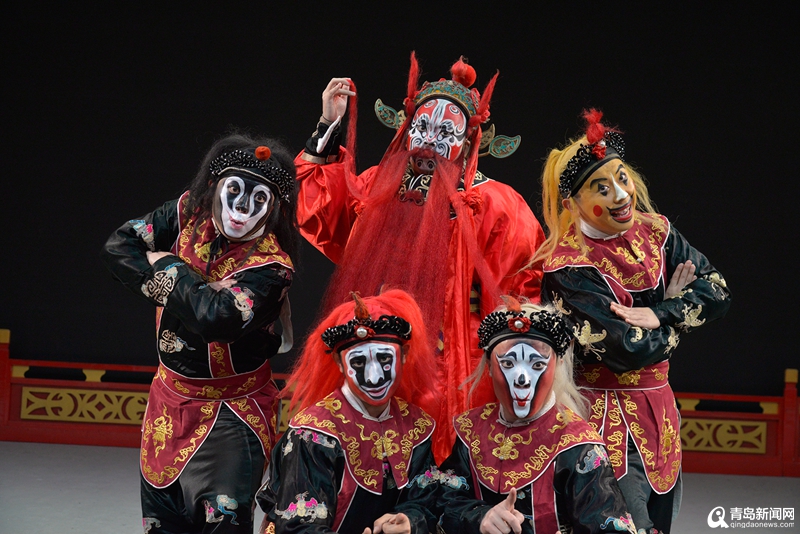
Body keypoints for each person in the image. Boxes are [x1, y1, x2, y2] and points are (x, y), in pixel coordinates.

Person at [295, 53, 545, 460]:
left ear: (468, 141)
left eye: (446, 131)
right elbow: (319, 210)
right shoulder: (379, 185)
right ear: (407, 128)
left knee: (444, 467)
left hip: (455, 357)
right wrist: (327, 124)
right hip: (377, 351)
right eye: (422, 127)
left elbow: (520, 291)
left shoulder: (496, 203)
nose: (430, 140)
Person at [535, 110, 732, 534]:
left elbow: (718, 291)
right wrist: (678, 305)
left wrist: (662, 312)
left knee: (661, 519)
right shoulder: (568, 266)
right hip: (599, 420)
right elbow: (628, 349)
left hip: (661, 414)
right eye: (602, 189)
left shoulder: (657, 232)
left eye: (622, 179)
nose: (622, 195)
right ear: (572, 203)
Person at [101, 133, 300, 533]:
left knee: (223, 521)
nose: (243, 208)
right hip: (168, 401)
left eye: (259, 199)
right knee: (162, 521)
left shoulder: (272, 269)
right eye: (235, 191)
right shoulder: (185, 213)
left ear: (274, 208)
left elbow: (217, 321)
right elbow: (118, 246)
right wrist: (201, 290)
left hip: (233, 414)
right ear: (214, 186)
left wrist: (169, 265)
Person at [438, 297, 637, 534]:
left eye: (537, 365)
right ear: (490, 366)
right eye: (508, 363)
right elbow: (441, 500)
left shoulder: (577, 445)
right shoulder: (471, 431)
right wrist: (480, 517)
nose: (522, 379)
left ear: (557, 364)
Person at [256, 290, 440, 534]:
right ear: (339, 363)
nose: (374, 378)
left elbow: (427, 499)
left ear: (404, 355)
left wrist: (410, 520)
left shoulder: (416, 425)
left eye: (385, 359)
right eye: (359, 362)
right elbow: (300, 526)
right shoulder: (314, 434)